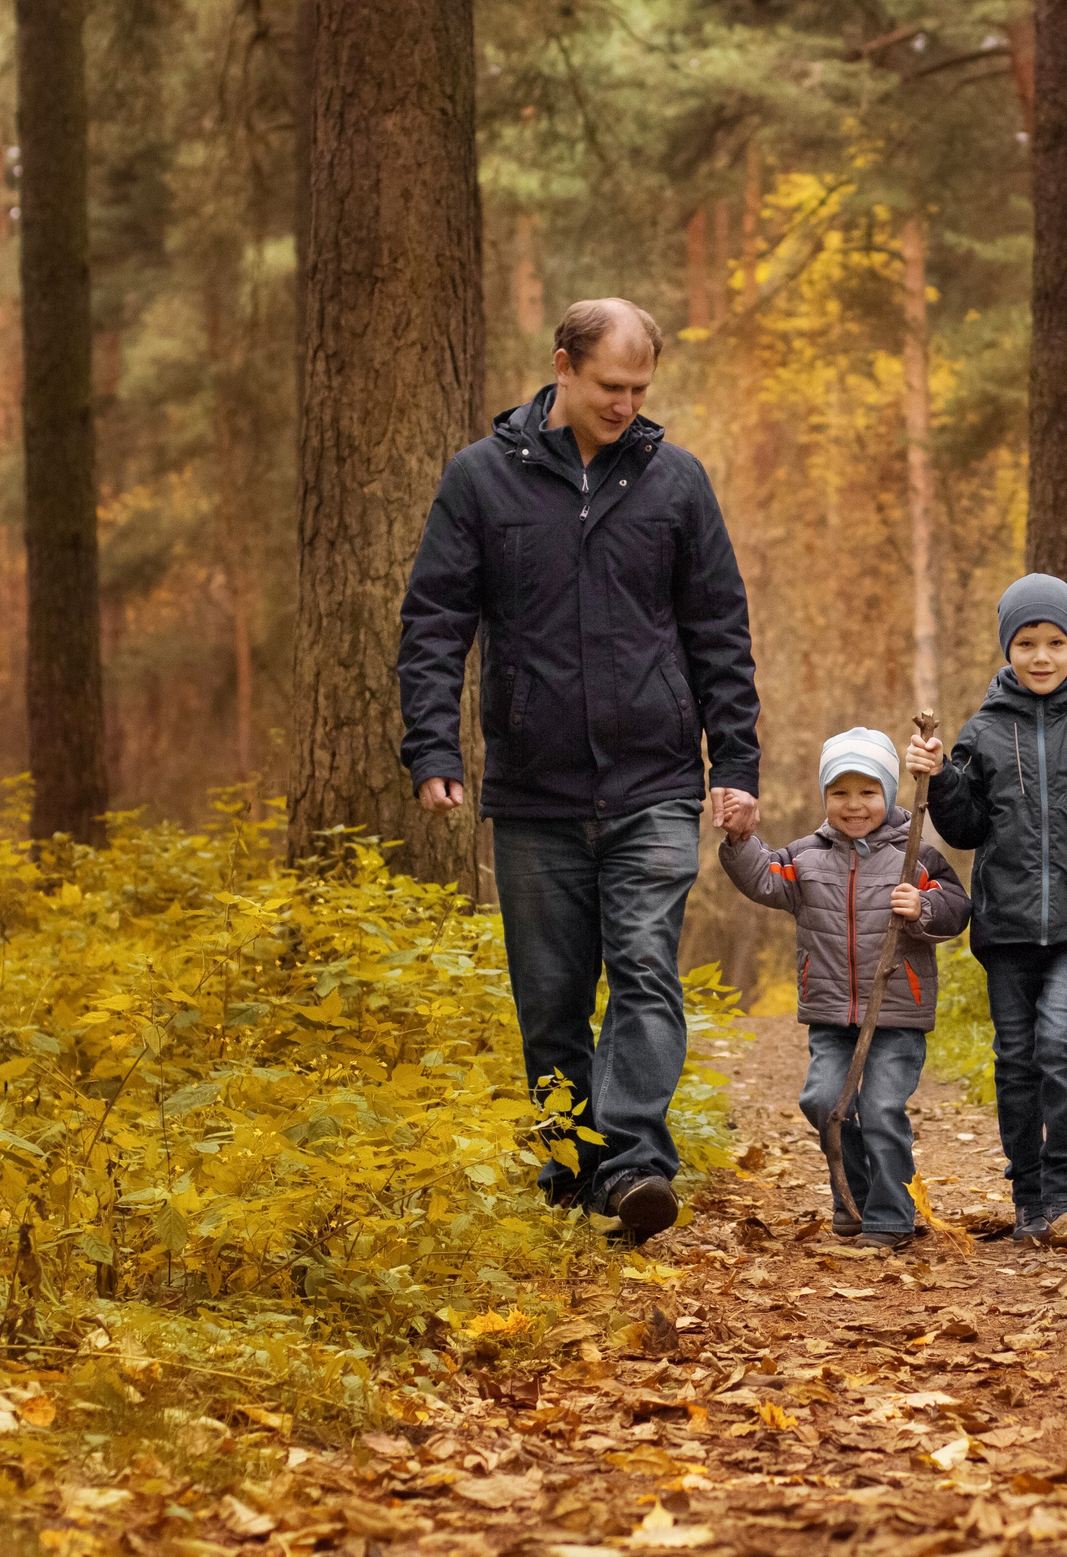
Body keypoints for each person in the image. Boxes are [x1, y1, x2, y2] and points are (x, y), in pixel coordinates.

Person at [397, 298, 762, 1248]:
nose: (627, 404)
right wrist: (434, 748)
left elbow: (719, 631)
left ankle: (636, 1161)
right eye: (611, 386)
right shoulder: (481, 481)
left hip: (654, 782)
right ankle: (571, 1169)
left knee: (644, 966)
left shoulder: (677, 482)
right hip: (535, 790)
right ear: (562, 366)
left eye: (641, 389)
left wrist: (738, 763)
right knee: (551, 996)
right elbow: (436, 622)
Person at [905, 575, 1067, 1247]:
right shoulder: (984, 731)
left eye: (1055, 642)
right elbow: (963, 827)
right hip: (1009, 925)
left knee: (1060, 1041)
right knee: (1017, 1057)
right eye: (1027, 643)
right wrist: (937, 777)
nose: (1042, 656)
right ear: (1008, 648)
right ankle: (1029, 1199)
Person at [717, 728, 970, 1251]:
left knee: (879, 1109)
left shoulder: (916, 856)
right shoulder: (807, 857)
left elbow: (956, 910)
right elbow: (765, 876)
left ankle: (892, 1216)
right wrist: (741, 840)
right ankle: (854, 1200)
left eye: (867, 792)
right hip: (832, 1014)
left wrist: (921, 909)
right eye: (840, 793)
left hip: (897, 1013)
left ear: (890, 793)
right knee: (824, 1101)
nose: (854, 805)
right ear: (825, 797)